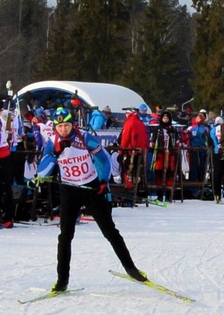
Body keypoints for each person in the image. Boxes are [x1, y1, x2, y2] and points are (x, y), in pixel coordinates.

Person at [32, 109, 147, 294]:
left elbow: (104, 159)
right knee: (65, 236)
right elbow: (42, 172)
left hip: (91, 188)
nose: (63, 129)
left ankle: (131, 269)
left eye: (66, 125)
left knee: (110, 231)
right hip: (69, 190)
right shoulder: (51, 143)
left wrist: (103, 180)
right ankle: (62, 280)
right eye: (60, 126)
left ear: (72, 125)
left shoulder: (85, 137)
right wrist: (55, 154)